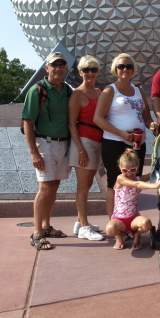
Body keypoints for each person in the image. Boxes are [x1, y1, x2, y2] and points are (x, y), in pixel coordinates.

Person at [93, 53, 156, 226]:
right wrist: (120, 133)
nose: (125, 69)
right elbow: (98, 118)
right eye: (121, 66)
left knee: (134, 182)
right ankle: (115, 223)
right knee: (114, 184)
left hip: (137, 144)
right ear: (115, 69)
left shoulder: (139, 91)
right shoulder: (110, 90)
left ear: (133, 69)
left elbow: (147, 118)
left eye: (128, 66)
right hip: (115, 143)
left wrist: (153, 127)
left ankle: (129, 219)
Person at [22, 52, 71, 250]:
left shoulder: (67, 90)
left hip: (63, 143)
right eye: (54, 65)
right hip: (44, 143)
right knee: (44, 187)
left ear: (66, 68)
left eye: (62, 64)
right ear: (47, 68)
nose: (58, 68)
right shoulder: (37, 90)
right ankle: (36, 233)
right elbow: (28, 121)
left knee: (54, 186)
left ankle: (46, 225)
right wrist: (33, 152)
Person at [68, 55, 104, 241]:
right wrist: (80, 149)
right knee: (82, 187)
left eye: (93, 69)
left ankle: (79, 222)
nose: (90, 73)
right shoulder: (77, 94)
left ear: (98, 71)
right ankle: (84, 227)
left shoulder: (99, 92)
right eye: (86, 70)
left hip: (98, 142)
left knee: (89, 184)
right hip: (84, 142)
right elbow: (72, 124)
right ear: (80, 72)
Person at [105, 149, 160, 250]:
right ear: (120, 168)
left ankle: (137, 236)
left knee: (147, 224)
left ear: (137, 168)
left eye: (132, 170)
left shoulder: (138, 178)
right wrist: (155, 185)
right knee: (110, 229)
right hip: (119, 219)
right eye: (125, 170)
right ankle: (119, 237)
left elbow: (150, 175)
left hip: (133, 218)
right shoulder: (120, 178)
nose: (129, 173)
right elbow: (137, 184)